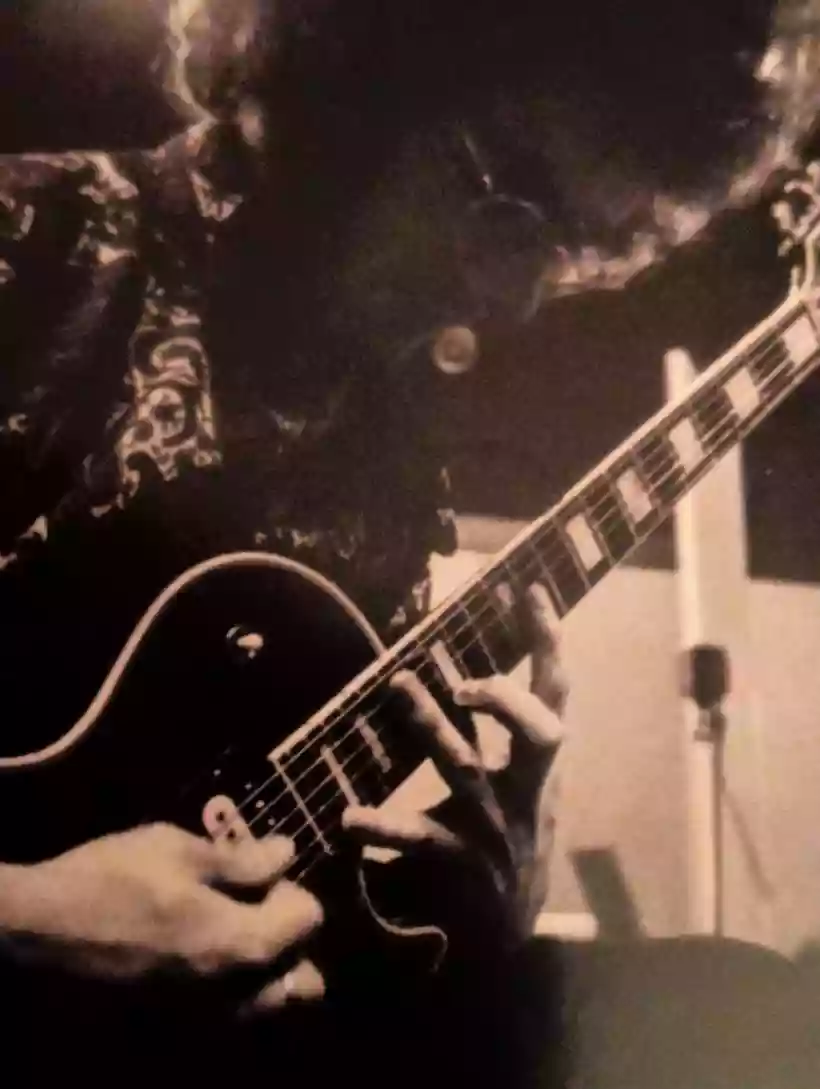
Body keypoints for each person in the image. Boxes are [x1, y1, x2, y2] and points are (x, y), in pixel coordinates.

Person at [0, 1, 808, 1086]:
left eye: (571, 247)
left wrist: (484, 904)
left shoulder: (384, 445)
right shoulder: (36, 243)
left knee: (742, 1008)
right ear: (362, 67)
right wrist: (29, 923)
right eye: (505, 200)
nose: (514, 296)